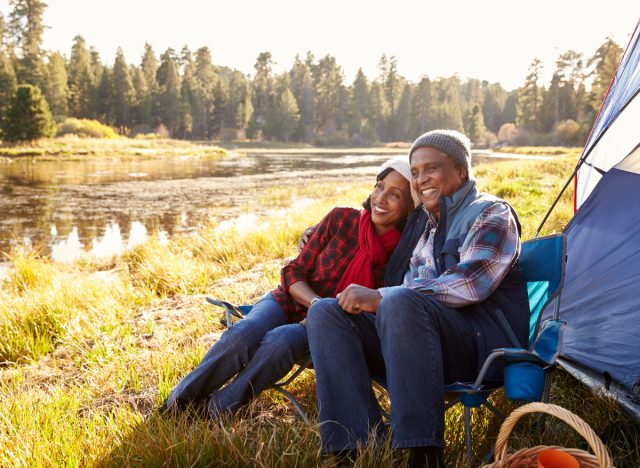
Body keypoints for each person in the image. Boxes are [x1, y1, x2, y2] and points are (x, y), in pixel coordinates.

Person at [305, 130, 530, 467]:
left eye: (431, 169)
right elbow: (406, 277)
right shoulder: (426, 225)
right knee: (326, 312)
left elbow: (472, 282)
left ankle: (421, 453)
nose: (421, 179)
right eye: (416, 172)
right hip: (416, 347)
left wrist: (382, 296)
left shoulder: (491, 213)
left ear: (461, 171)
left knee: (398, 300)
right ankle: (354, 447)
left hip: (478, 349)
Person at [162, 157, 415, 418]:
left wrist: (322, 317)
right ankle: (177, 403)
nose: (381, 198)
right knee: (243, 333)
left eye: (395, 195)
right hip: (290, 299)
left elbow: (373, 313)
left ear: (410, 207)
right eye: (379, 186)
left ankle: (215, 410)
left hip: (326, 328)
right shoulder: (342, 218)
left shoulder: (401, 257)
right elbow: (294, 271)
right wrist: (317, 304)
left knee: (280, 343)